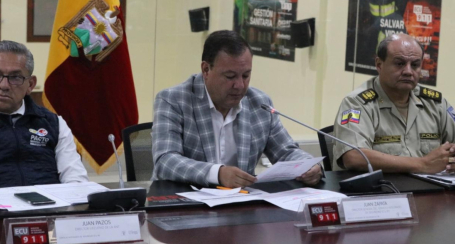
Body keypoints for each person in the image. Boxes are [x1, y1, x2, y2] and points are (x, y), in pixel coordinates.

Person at [151, 30, 322, 187]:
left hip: (240, 205)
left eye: (246, 75)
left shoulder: (259, 103)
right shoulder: (173, 100)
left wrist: (308, 165)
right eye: (230, 76)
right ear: (206, 70)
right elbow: (165, 161)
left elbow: (286, 152)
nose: (240, 85)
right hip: (184, 203)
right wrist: (218, 174)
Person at [333, 33, 455, 173]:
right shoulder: (357, 103)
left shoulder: (435, 104)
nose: (408, 71)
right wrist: (422, 164)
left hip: (429, 191)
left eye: (415, 65)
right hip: (379, 192)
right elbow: (353, 157)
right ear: (379, 64)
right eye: (399, 63)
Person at [0, 40, 88, 189]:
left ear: (30, 84)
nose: (3, 85)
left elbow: (76, 180)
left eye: (15, 77)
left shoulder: (53, 123)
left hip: (48, 208)